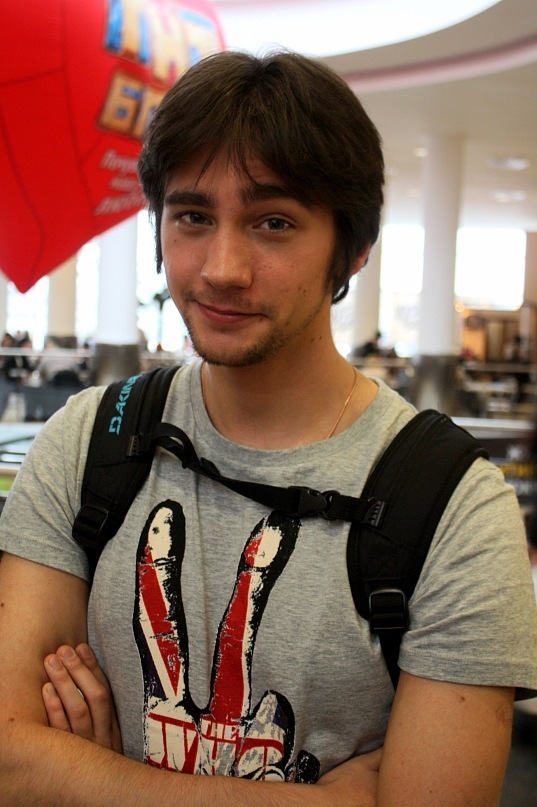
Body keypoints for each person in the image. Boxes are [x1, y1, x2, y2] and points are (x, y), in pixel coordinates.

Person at [0, 50, 536, 807]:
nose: (222, 267)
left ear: (352, 249)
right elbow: (9, 761)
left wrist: (90, 778)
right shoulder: (90, 442)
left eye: (273, 222)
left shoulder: (454, 507)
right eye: (192, 216)